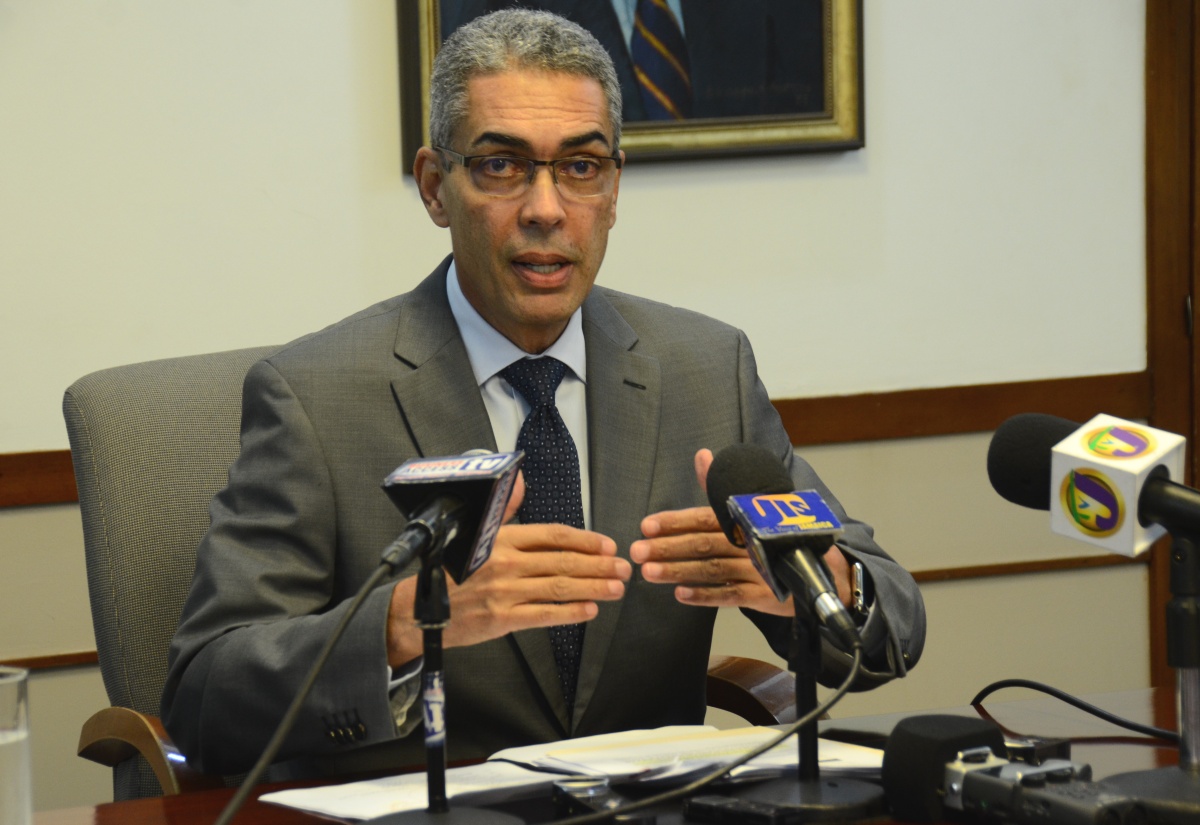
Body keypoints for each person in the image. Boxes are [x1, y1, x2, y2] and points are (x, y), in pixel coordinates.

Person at [160, 8, 925, 779]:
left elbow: (893, 625)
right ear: (435, 187)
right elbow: (205, 691)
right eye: (502, 165)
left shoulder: (705, 367)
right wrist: (401, 625)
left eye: (581, 167)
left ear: (614, 188)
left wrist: (810, 586)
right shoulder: (315, 398)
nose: (547, 208)